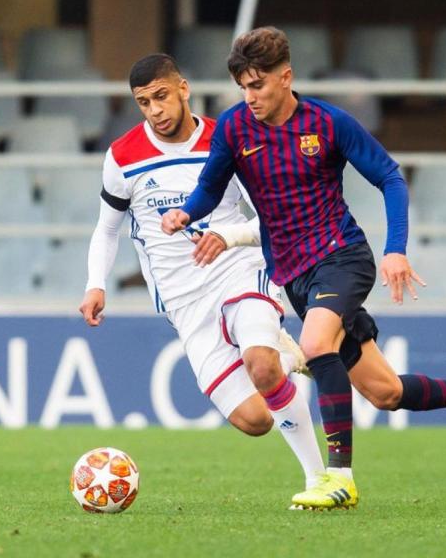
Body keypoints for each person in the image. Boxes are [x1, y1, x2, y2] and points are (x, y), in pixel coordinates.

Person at [162, 26, 446, 510]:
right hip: (295, 276)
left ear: (285, 77)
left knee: (317, 345)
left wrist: (396, 248)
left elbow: (390, 177)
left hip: (342, 258)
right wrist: (187, 213)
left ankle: (338, 479)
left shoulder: (328, 124)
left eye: (257, 85)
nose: (249, 96)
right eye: (242, 86)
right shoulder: (235, 129)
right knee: (386, 392)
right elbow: (210, 188)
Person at [78, 53, 326, 503]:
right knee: (255, 420)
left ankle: (317, 479)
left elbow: (272, 218)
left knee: (260, 364)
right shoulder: (122, 156)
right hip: (183, 301)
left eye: (161, 97)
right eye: (143, 102)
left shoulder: (228, 138)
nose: (155, 110)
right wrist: (96, 283)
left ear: (183, 89)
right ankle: (290, 357)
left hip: (237, 272)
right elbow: (107, 228)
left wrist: (226, 238)